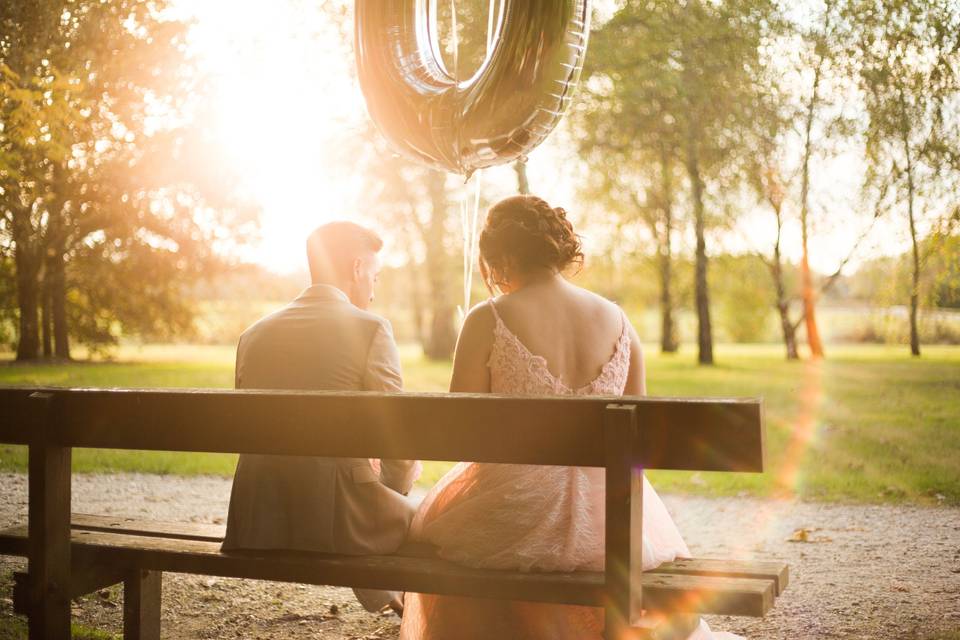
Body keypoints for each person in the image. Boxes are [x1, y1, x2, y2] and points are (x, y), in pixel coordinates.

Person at [399, 196, 742, 640]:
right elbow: (638, 428)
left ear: (501, 256)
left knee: (446, 538)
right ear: (557, 249)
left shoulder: (489, 319)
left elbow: (460, 431)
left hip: (519, 509)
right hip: (612, 516)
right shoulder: (618, 320)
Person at [221, 221, 420, 613]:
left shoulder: (254, 334)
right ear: (357, 268)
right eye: (375, 278)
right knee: (436, 522)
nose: (374, 292)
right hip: (331, 525)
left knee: (358, 486)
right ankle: (404, 607)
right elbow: (399, 445)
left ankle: (387, 599)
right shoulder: (371, 329)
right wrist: (393, 492)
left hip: (255, 521)